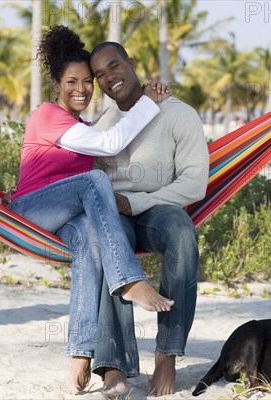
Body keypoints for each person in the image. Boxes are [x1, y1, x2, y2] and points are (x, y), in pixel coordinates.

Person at [6, 25, 174, 394]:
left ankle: (81, 352)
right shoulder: (49, 116)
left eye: (87, 82)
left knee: (90, 244)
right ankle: (130, 280)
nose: (81, 89)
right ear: (56, 84)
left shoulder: (80, 126)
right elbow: (112, 141)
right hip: (31, 213)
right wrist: (149, 102)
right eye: (71, 81)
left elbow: (105, 140)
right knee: (94, 182)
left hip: (62, 218)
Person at [80, 42, 210, 396]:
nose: (109, 78)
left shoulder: (178, 114)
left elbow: (194, 183)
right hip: (113, 213)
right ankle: (113, 367)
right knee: (107, 241)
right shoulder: (102, 127)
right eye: (100, 75)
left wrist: (136, 202)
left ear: (131, 63)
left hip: (157, 209)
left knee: (182, 233)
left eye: (114, 66)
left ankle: (166, 354)